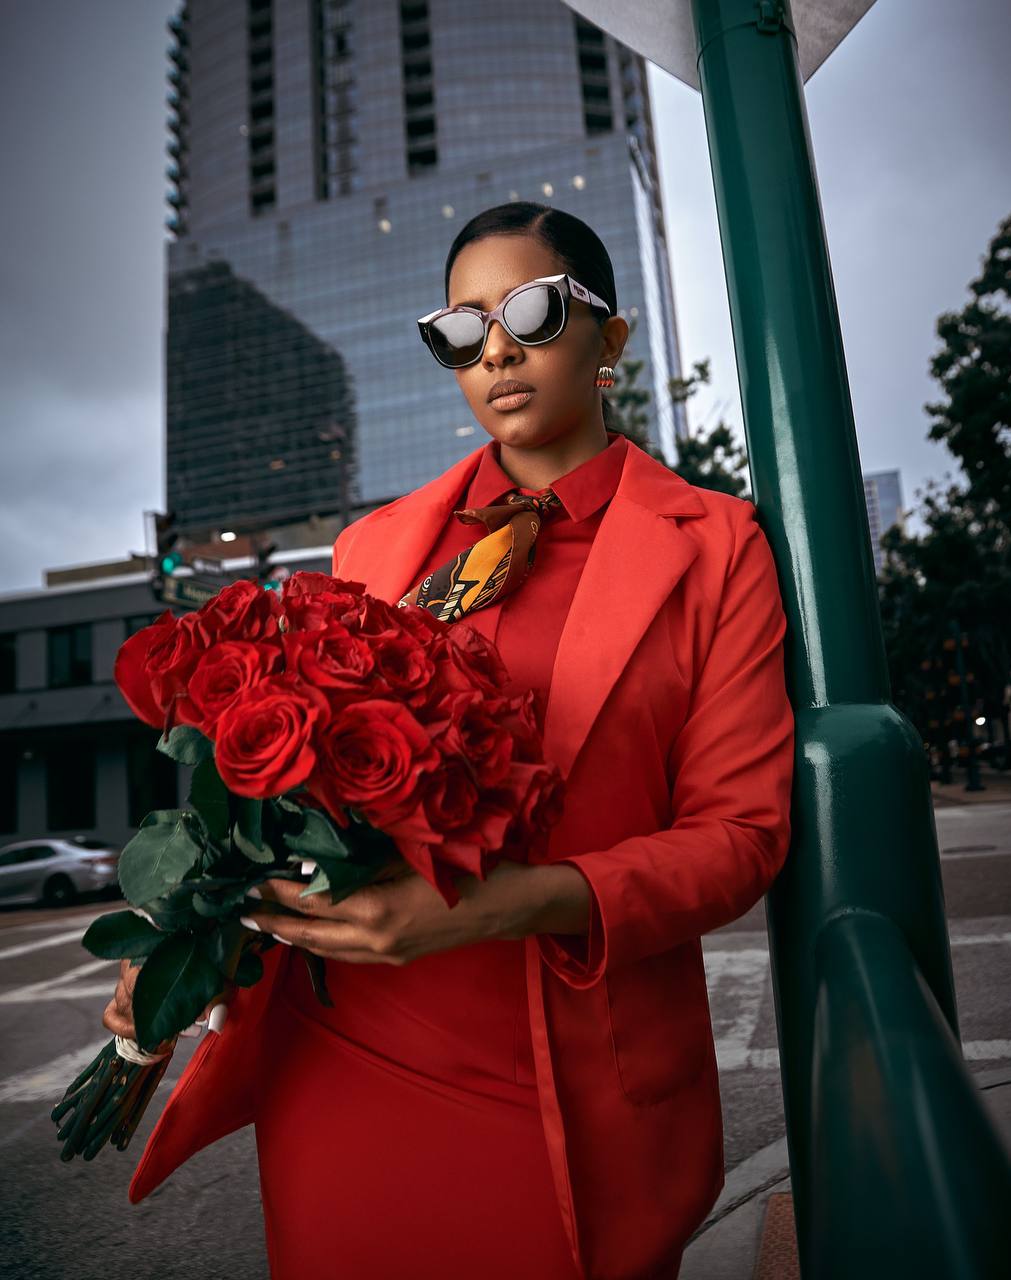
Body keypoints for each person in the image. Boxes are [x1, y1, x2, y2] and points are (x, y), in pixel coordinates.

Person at [103, 202, 795, 1280]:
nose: (499, 349)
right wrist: (186, 939)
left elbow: (740, 836)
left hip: (571, 1072)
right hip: (348, 1056)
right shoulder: (374, 543)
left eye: (531, 309)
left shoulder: (715, 547)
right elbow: (293, 788)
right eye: (463, 329)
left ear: (611, 340)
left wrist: (506, 901)